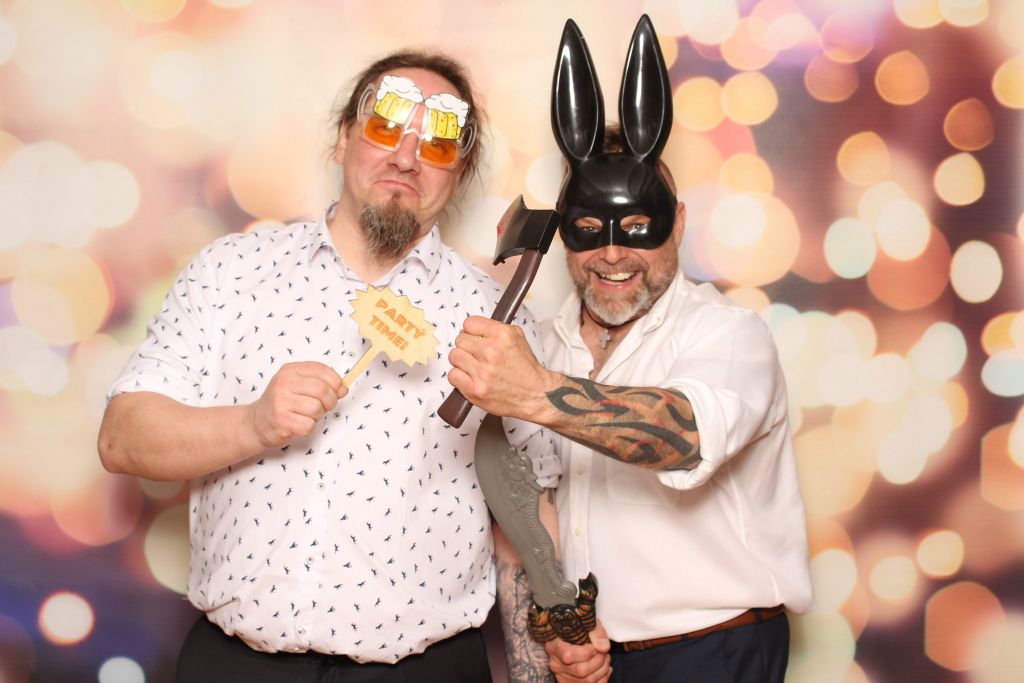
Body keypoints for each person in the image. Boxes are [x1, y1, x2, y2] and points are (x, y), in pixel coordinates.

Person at [98, 49, 560, 683]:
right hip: (237, 666)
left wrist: (548, 654)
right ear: (344, 139)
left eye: (437, 144)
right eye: (386, 128)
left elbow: (528, 508)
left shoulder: (495, 319)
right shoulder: (231, 272)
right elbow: (121, 438)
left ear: (458, 173)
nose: (406, 157)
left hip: (425, 669)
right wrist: (253, 424)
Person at [447, 15, 814, 683]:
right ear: (564, 235)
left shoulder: (728, 334)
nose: (613, 254)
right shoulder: (542, 342)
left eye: (639, 227)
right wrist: (560, 634)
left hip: (714, 653)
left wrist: (535, 393)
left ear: (677, 225)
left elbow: (685, 435)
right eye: (590, 229)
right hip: (598, 656)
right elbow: (530, 512)